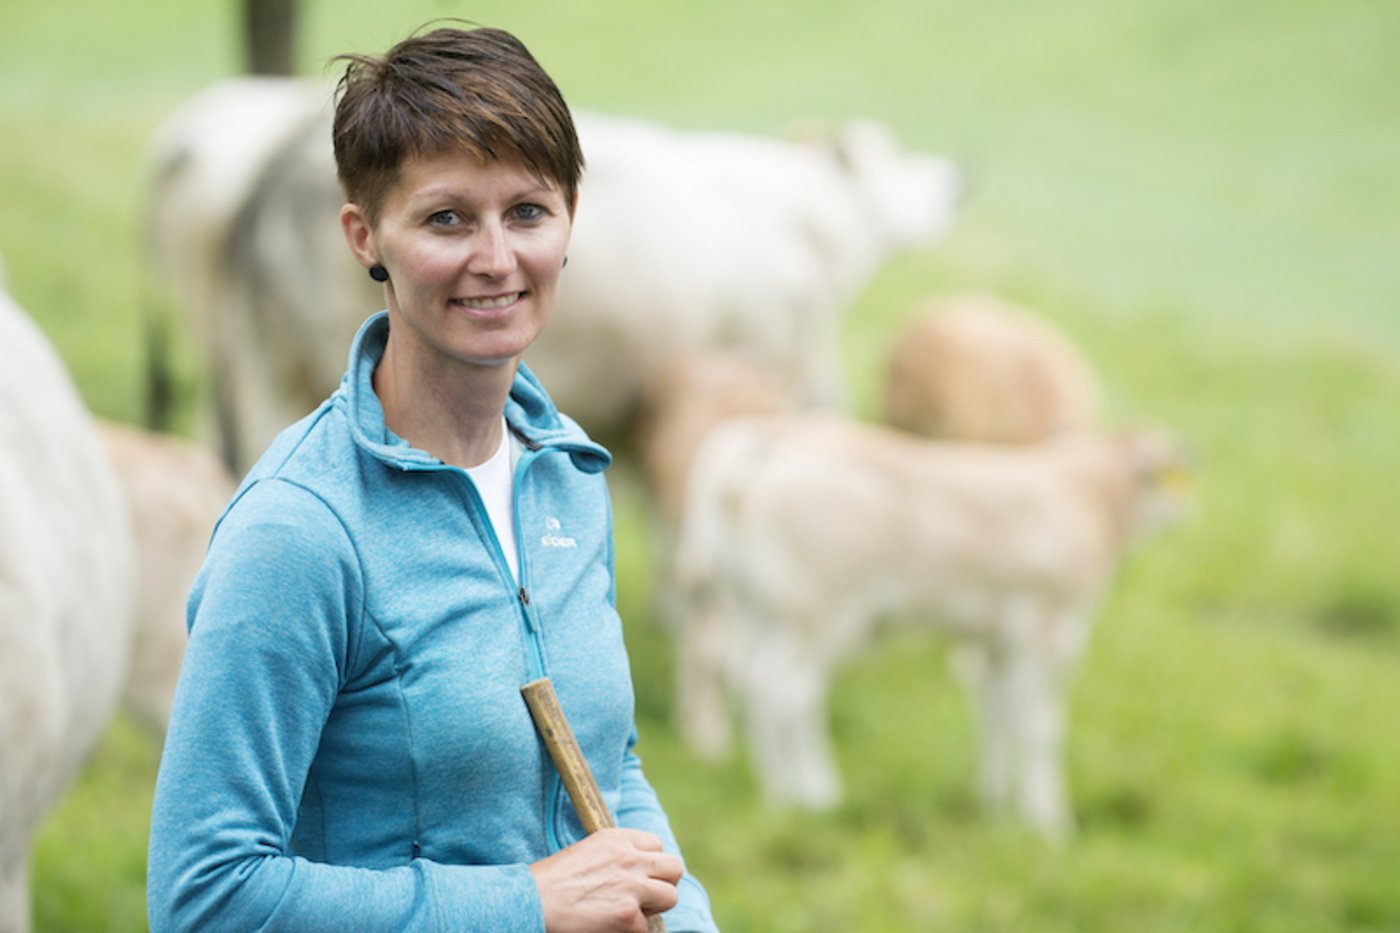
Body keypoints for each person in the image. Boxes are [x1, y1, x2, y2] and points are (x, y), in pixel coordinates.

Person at [147, 25, 718, 932]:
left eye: (527, 211)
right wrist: (524, 904)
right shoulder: (299, 532)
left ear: (571, 217)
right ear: (364, 234)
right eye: (447, 217)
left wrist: (684, 915)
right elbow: (205, 894)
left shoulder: (564, 474)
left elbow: (611, 772)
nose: (496, 258)